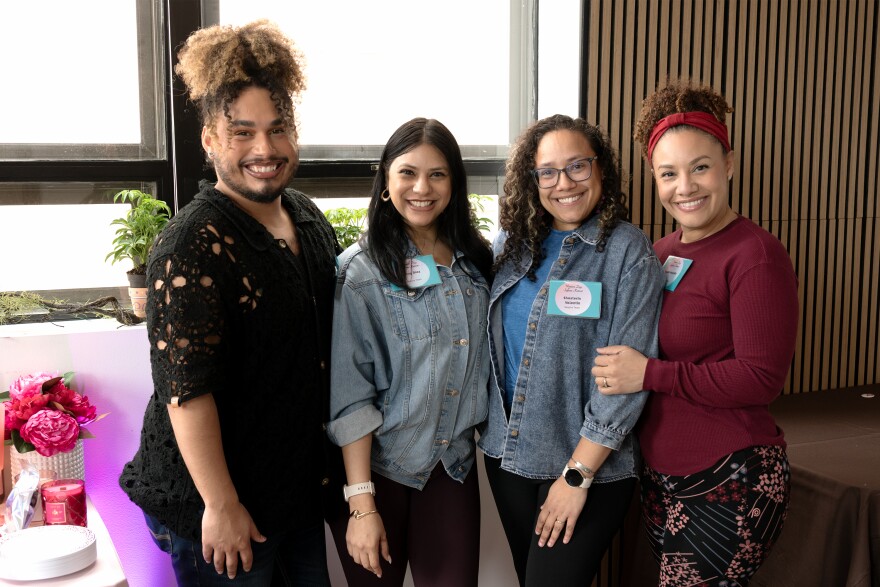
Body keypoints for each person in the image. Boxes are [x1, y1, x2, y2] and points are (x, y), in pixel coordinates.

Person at [119, 20, 340, 586]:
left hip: (290, 493)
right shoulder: (192, 243)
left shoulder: (308, 217)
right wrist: (219, 506)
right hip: (216, 506)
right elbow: (186, 391)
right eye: (241, 132)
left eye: (278, 129)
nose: (264, 150)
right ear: (210, 140)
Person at [592, 80, 798, 585]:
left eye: (700, 167)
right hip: (662, 475)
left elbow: (760, 379)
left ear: (728, 164)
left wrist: (650, 373)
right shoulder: (658, 253)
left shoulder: (754, 255)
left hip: (731, 474)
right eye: (669, 173)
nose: (685, 187)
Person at [479, 114, 664, 586]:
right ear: (532, 179)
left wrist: (576, 476)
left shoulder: (629, 252)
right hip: (508, 456)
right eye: (548, 171)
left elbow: (623, 381)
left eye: (578, 166)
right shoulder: (513, 244)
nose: (564, 183)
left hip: (590, 467)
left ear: (600, 169)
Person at [325, 118, 493, 587]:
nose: (422, 187)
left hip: (452, 468)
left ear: (455, 183)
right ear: (385, 181)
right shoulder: (360, 272)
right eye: (408, 173)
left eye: (438, 174)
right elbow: (350, 393)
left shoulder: (476, 263)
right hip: (379, 473)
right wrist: (361, 507)